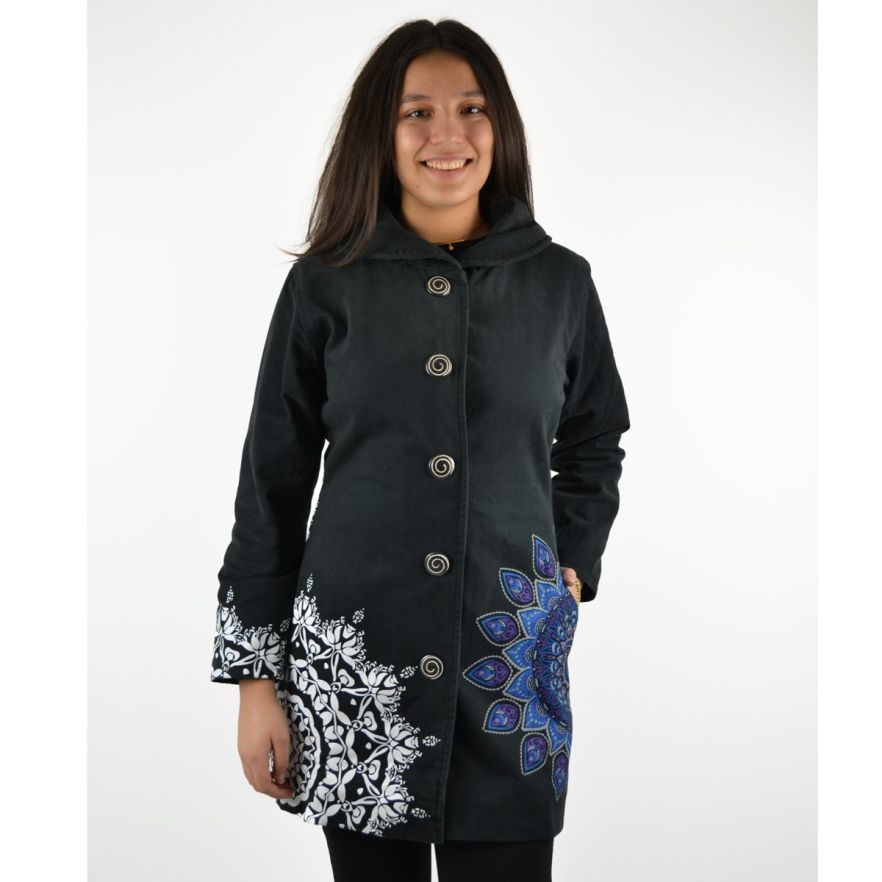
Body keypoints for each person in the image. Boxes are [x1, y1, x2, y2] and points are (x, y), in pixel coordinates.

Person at [210, 18, 630, 882]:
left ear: (501, 127)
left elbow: (595, 438)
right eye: (417, 113)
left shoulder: (559, 282)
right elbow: (271, 482)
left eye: (472, 109)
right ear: (381, 132)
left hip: (510, 673)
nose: (448, 134)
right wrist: (256, 681)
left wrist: (571, 567)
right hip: (357, 677)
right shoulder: (326, 284)